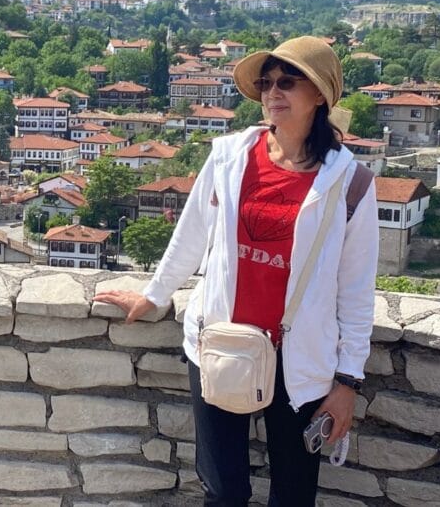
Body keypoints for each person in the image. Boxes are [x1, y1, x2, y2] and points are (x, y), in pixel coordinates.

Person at [95, 36, 378, 507]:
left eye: (288, 82)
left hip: (299, 360)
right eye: (267, 83)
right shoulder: (229, 156)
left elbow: (355, 290)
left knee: (292, 492)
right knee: (223, 491)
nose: (273, 93)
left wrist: (347, 382)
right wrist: (154, 295)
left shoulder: (351, 185)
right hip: (222, 340)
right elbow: (192, 233)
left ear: (320, 94)